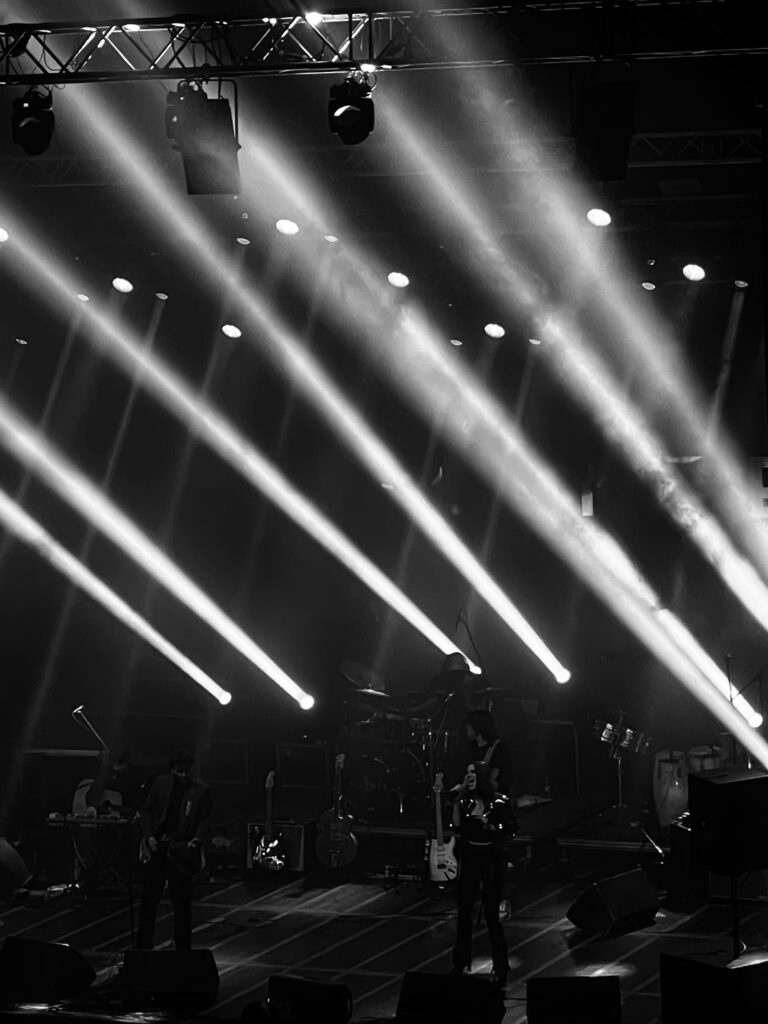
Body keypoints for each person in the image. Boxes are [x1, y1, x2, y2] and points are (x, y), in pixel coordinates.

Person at [450, 761, 517, 987]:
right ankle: (460, 961)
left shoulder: (499, 801)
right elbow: (456, 826)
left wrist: (491, 826)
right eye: (467, 772)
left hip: (490, 859)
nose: (469, 776)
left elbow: (511, 829)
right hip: (470, 857)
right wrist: (457, 800)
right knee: (463, 913)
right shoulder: (465, 801)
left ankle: (501, 966)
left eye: (473, 773)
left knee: (491, 916)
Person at [137, 749, 211, 950]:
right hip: (158, 845)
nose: (184, 775)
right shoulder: (160, 783)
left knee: (181, 904)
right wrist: (148, 836)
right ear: (172, 769)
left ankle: (183, 948)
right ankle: (143, 947)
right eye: (180, 771)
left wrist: (197, 839)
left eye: (187, 771)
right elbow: (146, 811)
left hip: (181, 849)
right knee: (149, 901)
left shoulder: (201, 790)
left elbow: (204, 819)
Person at [463, 709, 514, 799]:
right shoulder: (471, 747)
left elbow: (506, 778)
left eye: (469, 726)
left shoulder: (499, 748)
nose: (466, 728)